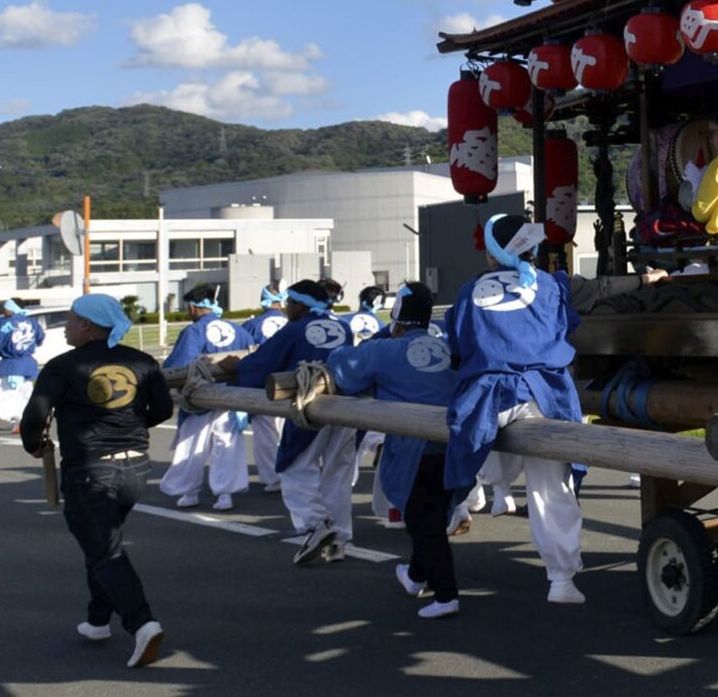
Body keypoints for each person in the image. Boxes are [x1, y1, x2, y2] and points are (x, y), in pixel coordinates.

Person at [444, 214, 595, 607]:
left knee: (476, 448)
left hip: (485, 397)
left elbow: (457, 348)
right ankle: (561, 579)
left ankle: (490, 493)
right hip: (545, 396)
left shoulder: (467, 291)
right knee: (551, 486)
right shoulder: (549, 284)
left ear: (492, 251)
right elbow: (567, 326)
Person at [21, 293, 173, 669]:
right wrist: (131, 430)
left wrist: (35, 445)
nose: (67, 327)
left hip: (90, 470)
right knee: (101, 541)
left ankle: (142, 623)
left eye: (70, 320)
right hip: (136, 468)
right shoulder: (142, 362)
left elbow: (35, 416)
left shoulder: (61, 366)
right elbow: (164, 409)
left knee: (105, 550)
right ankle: (97, 621)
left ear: (87, 325)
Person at [325, 283, 468, 617]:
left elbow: (343, 367)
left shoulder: (386, 350)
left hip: (413, 448)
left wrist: (376, 341)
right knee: (429, 515)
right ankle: (416, 576)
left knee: (424, 522)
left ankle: (446, 595)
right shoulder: (447, 347)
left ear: (397, 318)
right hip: (453, 445)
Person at [221, 279, 354, 565]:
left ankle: (317, 525)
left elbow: (263, 363)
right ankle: (339, 539)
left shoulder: (294, 330)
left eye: (290, 303)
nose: (285, 308)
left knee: (294, 467)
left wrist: (236, 366)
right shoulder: (343, 326)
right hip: (346, 406)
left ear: (300, 306)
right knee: (338, 472)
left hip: (312, 404)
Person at [158, 292, 245, 510]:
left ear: (194, 307)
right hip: (231, 398)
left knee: (192, 444)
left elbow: (179, 364)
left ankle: (190, 491)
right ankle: (225, 494)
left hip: (200, 397)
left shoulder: (194, 331)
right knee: (226, 444)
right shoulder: (238, 329)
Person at [237, 287, 289, 491]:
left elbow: (247, 356)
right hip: (291, 384)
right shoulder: (293, 323)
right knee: (288, 432)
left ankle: (273, 477)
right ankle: (290, 473)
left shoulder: (251, 325)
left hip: (263, 387)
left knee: (266, 437)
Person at [0, 300, 45, 428]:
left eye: (5, 309)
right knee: (25, 394)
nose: (3, 312)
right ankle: (25, 420)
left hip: (10, 365)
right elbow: (40, 338)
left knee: (6, 395)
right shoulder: (32, 322)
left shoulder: (4, 323)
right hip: (28, 365)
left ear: (11, 309)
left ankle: (17, 420)